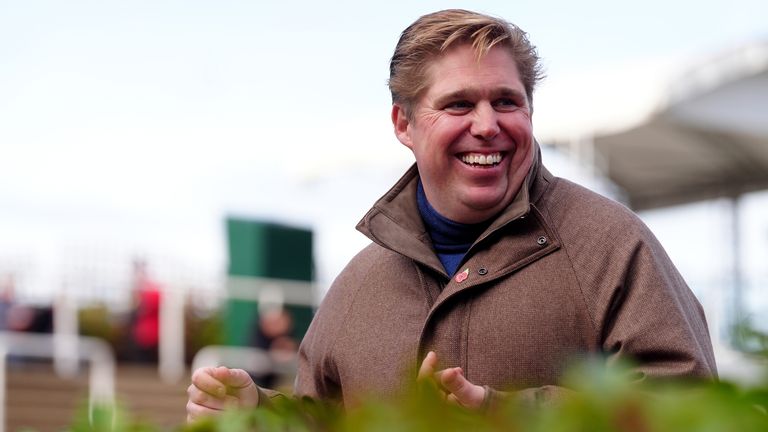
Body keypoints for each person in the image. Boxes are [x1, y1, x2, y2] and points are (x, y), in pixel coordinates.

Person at [187, 9, 717, 420]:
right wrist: (256, 415)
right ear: (404, 124)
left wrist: (507, 414)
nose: (487, 125)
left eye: (506, 102)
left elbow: (690, 411)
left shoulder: (612, 245)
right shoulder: (357, 284)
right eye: (459, 104)